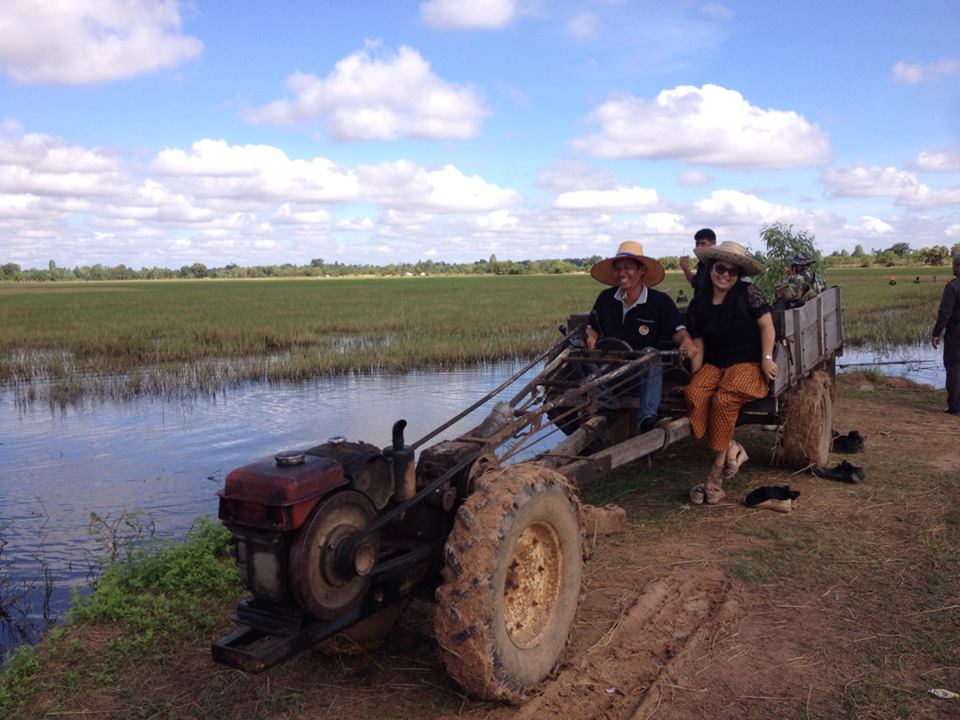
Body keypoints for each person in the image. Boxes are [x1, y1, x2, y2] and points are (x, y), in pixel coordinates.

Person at [682, 241, 778, 505]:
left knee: (724, 401)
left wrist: (767, 358)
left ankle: (714, 477)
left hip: (746, 363)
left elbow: (767, 326)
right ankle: (733, 448)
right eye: (720, 268)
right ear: (711, 269)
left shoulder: (749, 293)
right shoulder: (699, 303)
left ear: (739, 275)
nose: (725, 274)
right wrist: (696, 375)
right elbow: (699, 345)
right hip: (716, 364)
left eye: (732, 271)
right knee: (694, 395)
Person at [587, 241, 698, 433]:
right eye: (618, 268)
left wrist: (686, 342)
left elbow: (679, 332)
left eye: (628, 268)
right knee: (577, 356)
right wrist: (591, 334)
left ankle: (647, 419)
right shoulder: (605, 298)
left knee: (651, 355)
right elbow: (593, 326)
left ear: (641, 271)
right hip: (610, 370)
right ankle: (607, 407)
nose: (622, 273)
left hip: (642, 373)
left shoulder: (659, 302)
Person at [932, 254, 960, 415]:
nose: (952, 268)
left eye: (954, 265)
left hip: (956, 334)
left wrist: (937, 332)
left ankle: (955, 406)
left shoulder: (953, 286)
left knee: (954, 368)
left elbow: (945, 313)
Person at [679, 228, 716, 298]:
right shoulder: (702, 263)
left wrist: (685, 268)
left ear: (713, 244)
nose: (698, 247)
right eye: (697, 244)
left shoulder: (718, 264)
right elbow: (695, 283)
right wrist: (685, 267)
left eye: (703, 243)